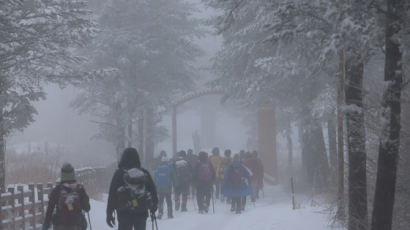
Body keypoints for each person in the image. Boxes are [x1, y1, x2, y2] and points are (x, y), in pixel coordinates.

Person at [106, 148, 158, 230]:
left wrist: (109, 213)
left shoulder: (119, 174)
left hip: (123, 212)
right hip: (141, 211)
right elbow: (152, 191)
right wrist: (153, 206)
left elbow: (112, 195)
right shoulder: (144, 173)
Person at [42, 163, 90, 230]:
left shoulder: (57, 190)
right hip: (77, 225)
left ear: (62, 175)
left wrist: (46, 225)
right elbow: (87, 208)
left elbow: (50, 210)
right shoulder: (79, 189)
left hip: (60, 226)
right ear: (73, 174)